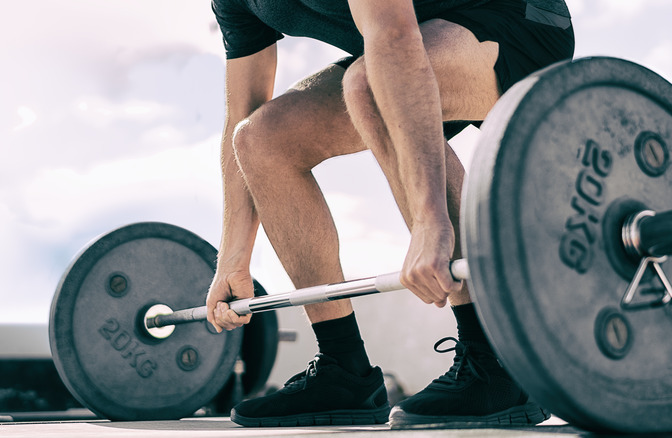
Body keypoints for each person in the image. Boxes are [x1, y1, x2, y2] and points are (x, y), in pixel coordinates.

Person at [205, 0, 575, 428]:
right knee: (259, 137)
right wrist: (233, 259)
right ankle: (343, 371)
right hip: (405, 47)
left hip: (519, 23)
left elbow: (393, 36)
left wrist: (429, 220)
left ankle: (495, 361)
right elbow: (242, 109)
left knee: (370, 86)